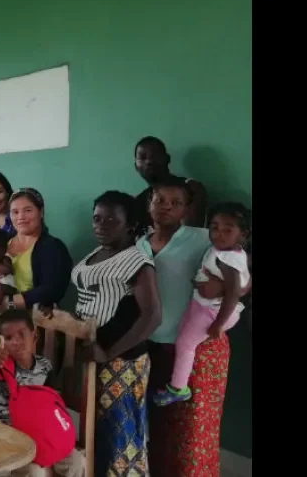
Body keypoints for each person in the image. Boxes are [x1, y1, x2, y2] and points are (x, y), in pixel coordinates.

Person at [136, 179, 249, 476]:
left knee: (193, 434)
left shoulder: (204, 238)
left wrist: (223, 287)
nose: (166, 207)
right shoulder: (140, 243)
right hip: (153, 347)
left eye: (176, 202)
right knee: (158, 429)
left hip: (199, 349)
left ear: (186, 208)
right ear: (150, 202)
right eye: (160, 199)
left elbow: (245, 279)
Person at [71, 191, 161, 477]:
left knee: (121, 436)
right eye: (97, 218)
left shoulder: (137, 262)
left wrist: (109, 353)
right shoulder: (96, 254)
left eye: (112, 219)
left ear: (130, 224)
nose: (102, 224)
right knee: (96, 430)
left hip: (121, 361)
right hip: (93, 354)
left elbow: (152, 316)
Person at [0, 310, 84, 477]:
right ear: (1, 342)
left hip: (36, 430)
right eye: (8, 338)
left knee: (75, 460)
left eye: (22, 335)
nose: (16, 342)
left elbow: (52, 404)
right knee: (34, 471)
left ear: (34, 336)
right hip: (4, 433)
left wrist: (53, 435)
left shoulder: (45, 367)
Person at [153, 202, 251, 406]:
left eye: (227, 229)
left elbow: (233, 293)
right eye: (214, 227)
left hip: (213, 311)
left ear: (243, 235)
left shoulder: (228, 259)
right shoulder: (223, 251)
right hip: (202, 304)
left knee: (185, 344)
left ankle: (178, 388)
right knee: (182, 333)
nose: (218, 233)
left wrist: (218, 324)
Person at [0, 189, 73, 313]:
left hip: (33, 326)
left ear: (41, 212)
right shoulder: (2, 242)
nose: (21, 217)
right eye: (15, 212)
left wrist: (10, 302)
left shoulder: (53, 247)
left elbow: (52, 290)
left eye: (28, 210)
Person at [134, 136, 209, 233]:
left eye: (155, 156)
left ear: (167, 159)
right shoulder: (138, 201)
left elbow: (187, 236)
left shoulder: (190, 188)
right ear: (136, 166)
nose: (149, 161)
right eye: (142, 157)